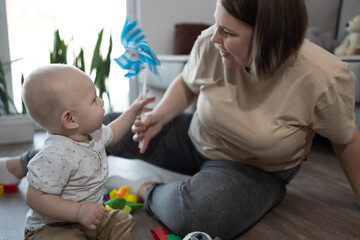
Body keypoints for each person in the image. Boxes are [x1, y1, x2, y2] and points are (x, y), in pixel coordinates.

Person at [1, 0, 360, 239]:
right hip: (196, 135)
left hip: (253, 167)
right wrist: (157, 117)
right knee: (92, 127)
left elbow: (345, 139)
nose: (213, 37)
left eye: (229, 33)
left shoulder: (323, 76)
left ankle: (142, 186)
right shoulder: (212, 42)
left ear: (269, 37)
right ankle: (19, 166)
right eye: (216, 25)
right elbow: (188, 84)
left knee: (200, 215)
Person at [19, 64, 155, 240]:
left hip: (89, 218)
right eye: (94, 99)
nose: (102, 102)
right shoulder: (55, 155)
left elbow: (114, 132)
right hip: (52, 227)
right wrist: (78, 212)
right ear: (70, 119)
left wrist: (133, 110)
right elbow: (35, 199)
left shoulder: (94, 134)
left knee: (122, 221)